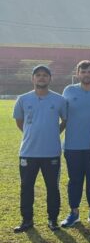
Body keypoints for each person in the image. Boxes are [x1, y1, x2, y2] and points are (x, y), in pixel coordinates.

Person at [13, 65, 67, 233]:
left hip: (51, 153)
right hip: (28, 152)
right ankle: (27, 220)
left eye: (45, 75)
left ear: (50, 78)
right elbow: (19, 122)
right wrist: (31, 134)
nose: (41, 77)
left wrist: (53, 133)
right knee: (26, 187)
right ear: (33, 78)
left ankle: (52, 219)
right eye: (38, 75)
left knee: (52, 187)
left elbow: (64, 121)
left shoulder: (59, 100)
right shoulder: (23, 99)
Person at [60, 60, 90, 228]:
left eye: (89, 72)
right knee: (74, 180)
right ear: (77, 74)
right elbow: (63, 116)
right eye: (83, 72)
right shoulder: (69, 90)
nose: (86, 75)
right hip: (72, 145)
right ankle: (74, 213)